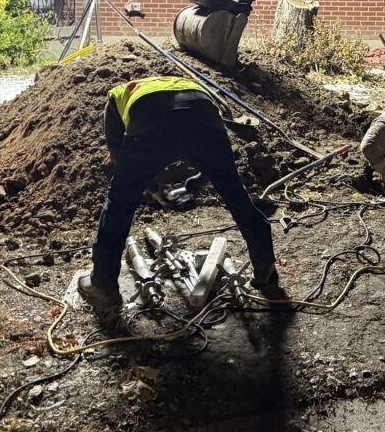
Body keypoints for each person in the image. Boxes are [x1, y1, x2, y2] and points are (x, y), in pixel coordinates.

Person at [78, 75, 281, 311]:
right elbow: (211, 143)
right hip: (202, 119)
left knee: (119, 202)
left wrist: (151, 187)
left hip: (150, 121)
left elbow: (120, 158)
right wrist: (200, 180)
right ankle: (264, 263)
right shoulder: (191, 86)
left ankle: (103, 283)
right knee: (234, 193)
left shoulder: (118, 96)